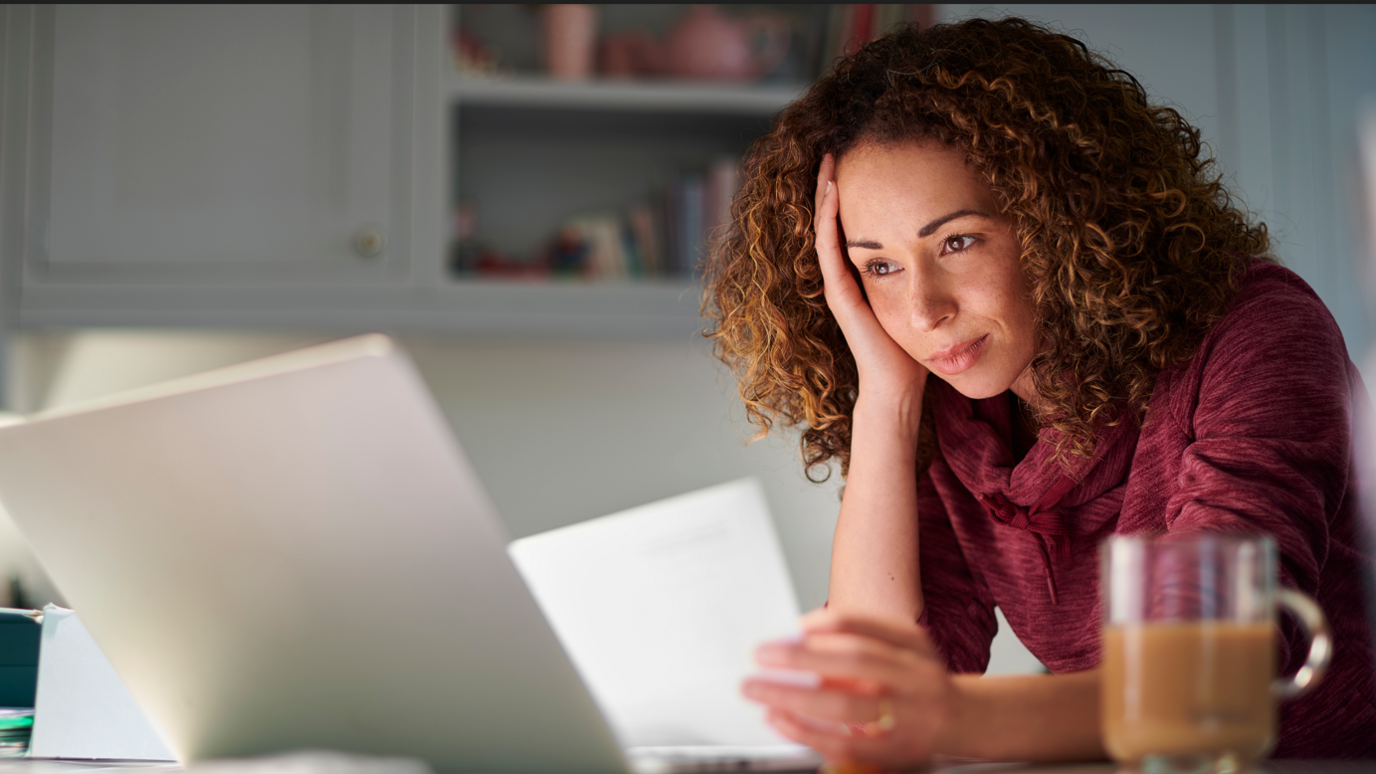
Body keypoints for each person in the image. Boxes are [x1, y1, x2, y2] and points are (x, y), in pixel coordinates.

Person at [702, 16, 1376, 765]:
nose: (924, 310)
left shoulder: (1256, 330)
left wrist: (955, 721)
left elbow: (1214, 675)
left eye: (956, 241)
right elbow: (886, 690)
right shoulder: (948, 402)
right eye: (879, 266)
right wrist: (885, 404)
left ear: (1061, 218)